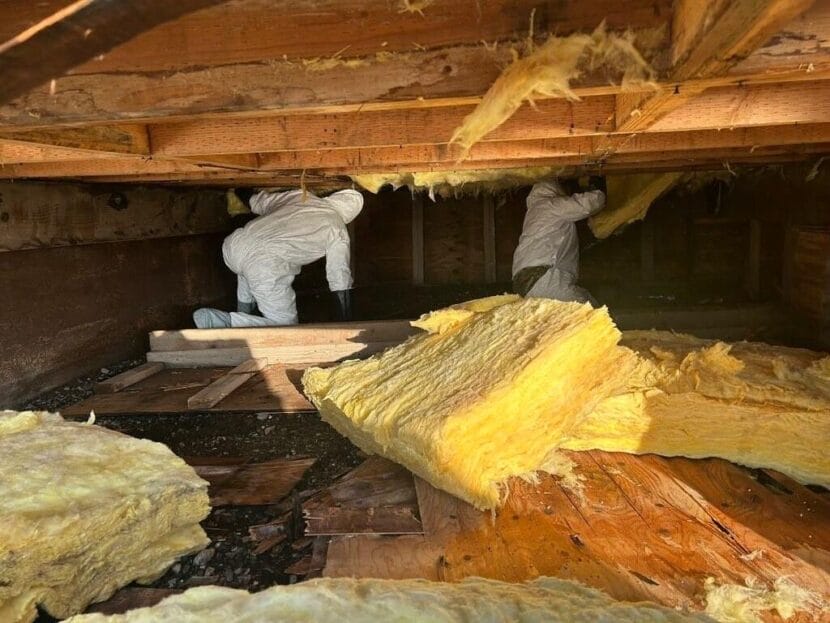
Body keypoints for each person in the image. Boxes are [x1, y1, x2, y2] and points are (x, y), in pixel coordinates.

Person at [193, 188, 363, 328]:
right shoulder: (337, 228)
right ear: (349, 216)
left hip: (234, 245)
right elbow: (339, 275)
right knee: (285, 325)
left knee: (247, 274)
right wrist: (346, 321)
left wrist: (239, 189)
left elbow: (258, 202)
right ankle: (224, 322)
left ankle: (242, 315)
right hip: (264, 263)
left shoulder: (301, 197)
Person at [512, 179, 605, 304]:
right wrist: (600, 189)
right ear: (555, 190)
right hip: (544, 277)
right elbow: (588, 204)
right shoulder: (550, 205)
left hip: (524, 281)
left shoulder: (534, 211)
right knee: (589, 311)